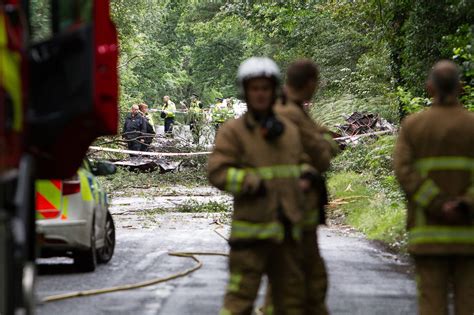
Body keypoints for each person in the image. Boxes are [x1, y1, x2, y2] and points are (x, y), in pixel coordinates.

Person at [208, 57, 315, 315]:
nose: (260, 94)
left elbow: (303, 161)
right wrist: (249, 181)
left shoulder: (288, 130)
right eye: (254, 88)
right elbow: (217, 171)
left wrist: (307, 175)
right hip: (250, 237)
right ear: (245, 91)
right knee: (238, 303)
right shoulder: (233, 132)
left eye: (265, 88)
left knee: (291, 305)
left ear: (274, 90)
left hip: (287, 235)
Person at [394, 60, 474, 315]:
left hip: (427, 234)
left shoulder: (413, 126)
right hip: (468, 235)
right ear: (460, 87)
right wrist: (464, 204)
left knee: (431, 305)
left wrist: (438, 204)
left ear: (430, 88)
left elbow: (404, 172)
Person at [260, 59, 336, 315]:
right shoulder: (291, 114)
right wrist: (326, 140)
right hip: (295, 210)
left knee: (289, 276)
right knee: (304, 280)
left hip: (287, 210)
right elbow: (322, 156)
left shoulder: (281, 109)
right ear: (311, 83)